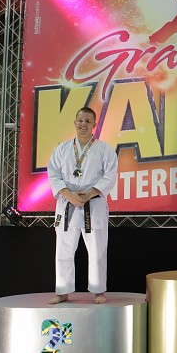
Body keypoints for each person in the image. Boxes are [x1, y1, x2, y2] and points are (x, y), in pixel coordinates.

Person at [46, 107, 118, 304]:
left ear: (94, 124)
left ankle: (99, 291)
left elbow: (110, 175)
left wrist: (91, 193)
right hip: (67, 203)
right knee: (63, 250)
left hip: (93, 204)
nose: (83, 124)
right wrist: (67, 193)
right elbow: (53, 173)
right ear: (75, 122)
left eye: (87, 121)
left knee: (97, 250)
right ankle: (62, 291)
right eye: (80, 120)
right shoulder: (62, 149)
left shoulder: (104, 149)